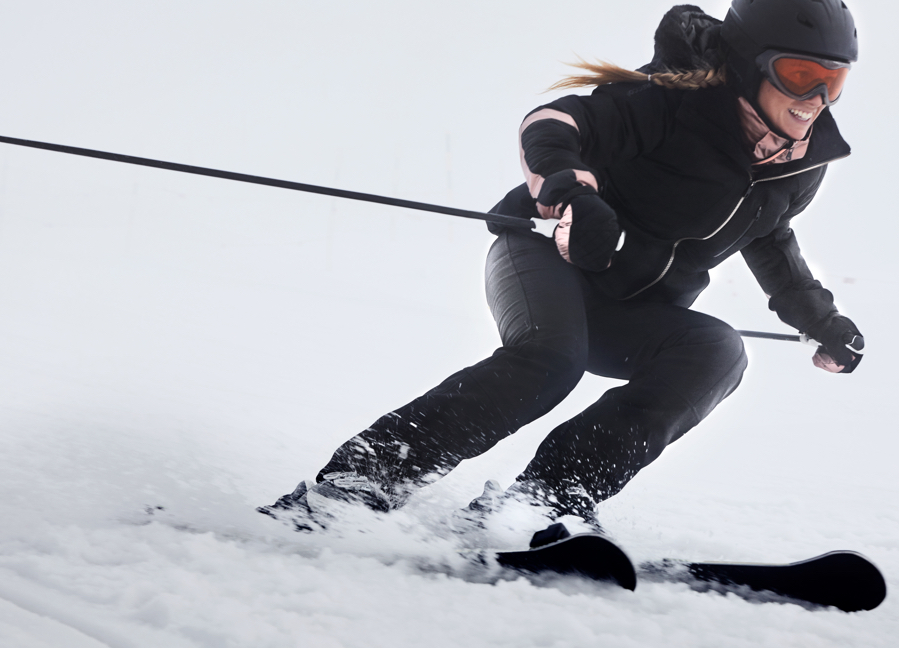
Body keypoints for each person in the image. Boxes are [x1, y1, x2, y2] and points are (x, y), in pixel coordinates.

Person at [261, 0, 866, 534]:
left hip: (632, 308)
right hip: (545, 252)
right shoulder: (669, 102)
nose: (814, 101)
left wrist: (820, 318)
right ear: (748, 63)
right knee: (550, 360)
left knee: (717, 352)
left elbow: (770, 237)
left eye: (832, 83)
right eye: (800, 75)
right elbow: (551, 122)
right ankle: (361, 485)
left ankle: (545, 500)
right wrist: (573, 191)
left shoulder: (800, 162)